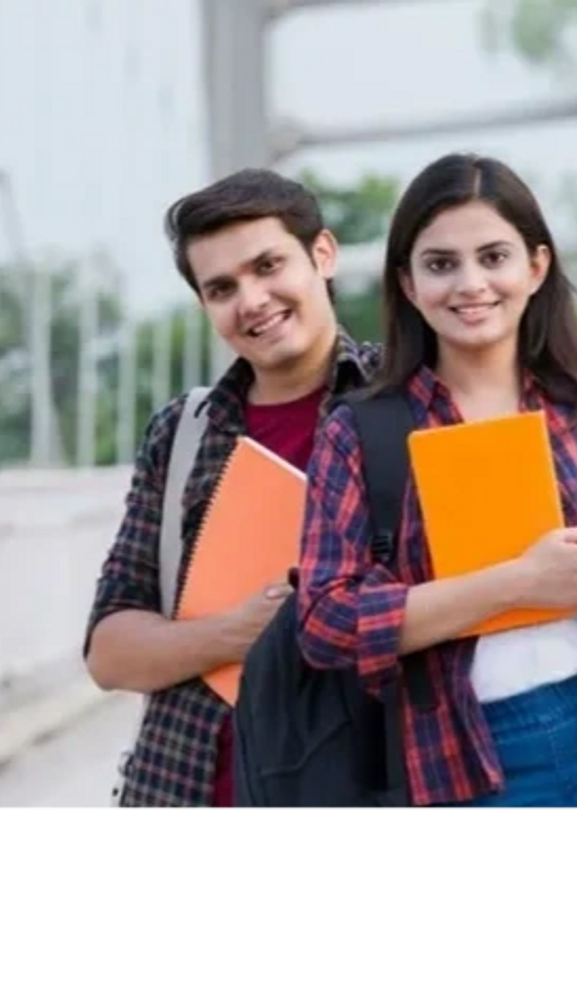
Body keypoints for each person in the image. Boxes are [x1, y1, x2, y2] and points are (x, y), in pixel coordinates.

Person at [294, 152, 577, 811]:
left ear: (536, 266)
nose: (470, 284)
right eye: (441, 264)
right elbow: (324, 621)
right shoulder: (360, 432)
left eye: (494, 257)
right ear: (407, 283)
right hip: (470, 759)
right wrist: (513, 585)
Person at [85, 168, 382, 811]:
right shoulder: (183, 432)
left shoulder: (407, 401)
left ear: (323, 255)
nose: (252, 300)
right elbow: (109, 651)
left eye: (269, 265)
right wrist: (236, 633)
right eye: (222, 288)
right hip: (187, 791)